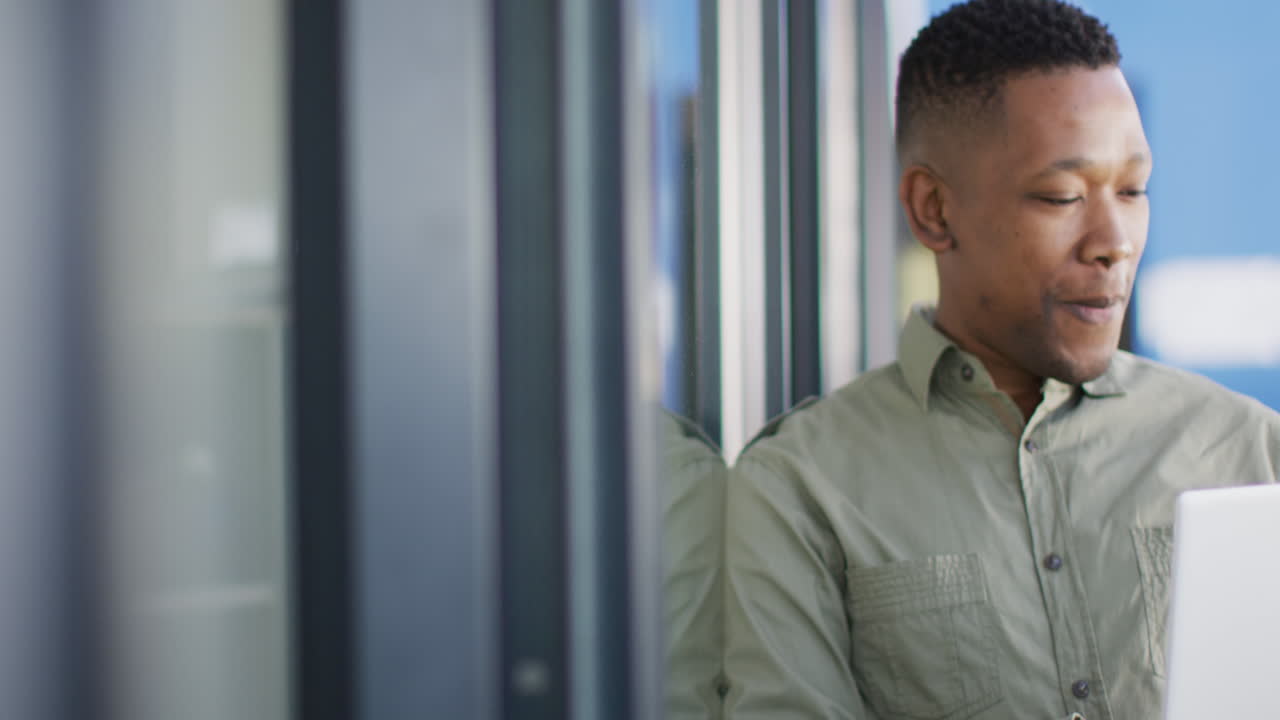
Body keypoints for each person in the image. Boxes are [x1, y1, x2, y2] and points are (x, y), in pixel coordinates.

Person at [722, 1, 1280, 719]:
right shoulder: (801, 488)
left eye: (1133, 190)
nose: (1115, 240)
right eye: (1062, 196)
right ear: (933, 210)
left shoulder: (1251, 452)